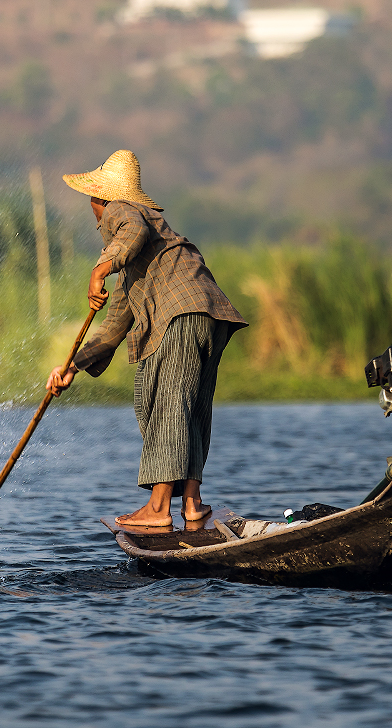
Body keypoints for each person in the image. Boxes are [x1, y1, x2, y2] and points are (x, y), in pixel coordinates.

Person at [46, 150, 247, 527]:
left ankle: (157, 510)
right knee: (189, 406)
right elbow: (113, 327)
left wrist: (100, 267)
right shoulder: (142, 264)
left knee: (167, 401)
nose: (93, 210)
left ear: (100, 200)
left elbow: (131, 231)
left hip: (181, 314)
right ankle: (191, 503)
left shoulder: (123, 211)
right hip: (207, 313)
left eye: (93, 201)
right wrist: (73, 367)